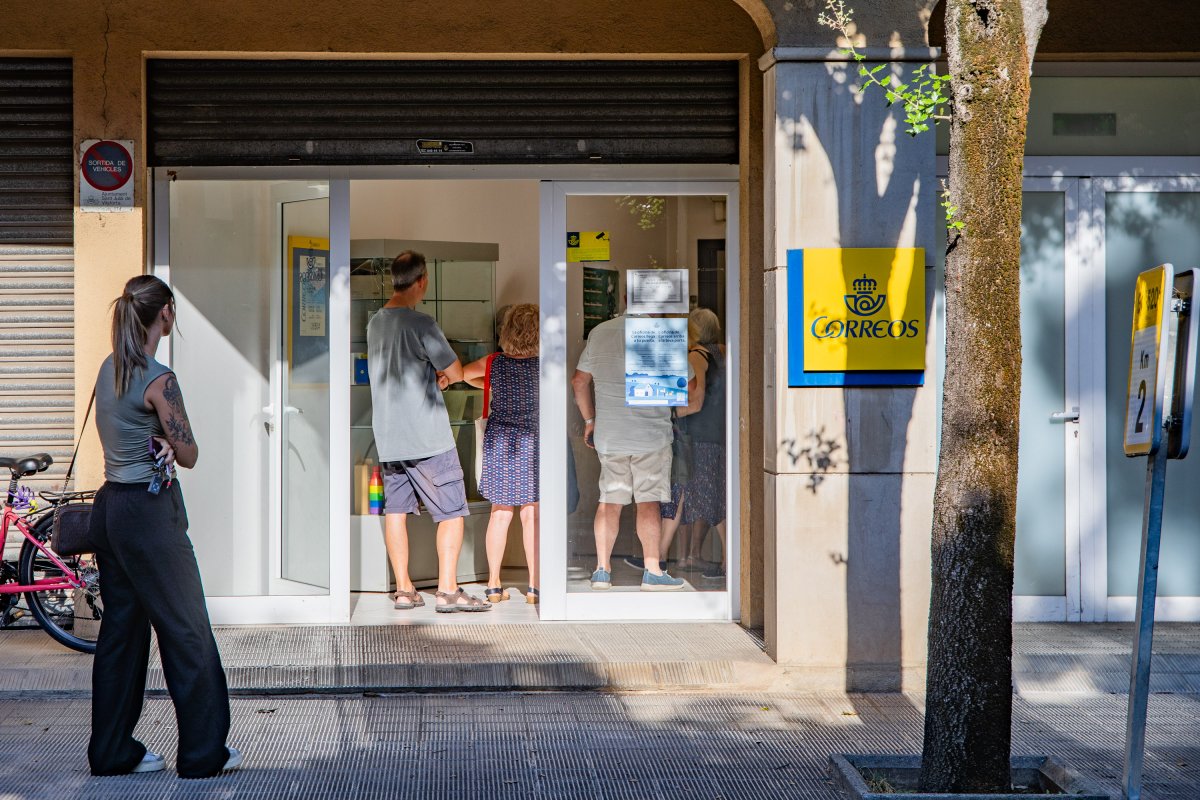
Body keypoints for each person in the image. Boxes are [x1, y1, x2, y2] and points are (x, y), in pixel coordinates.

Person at [88, 275, 240, 778]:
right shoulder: (159, 379)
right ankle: (202, 754)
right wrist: (174, 446)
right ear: (166, 314)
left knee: (121, 635)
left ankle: (110, 752)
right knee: (186, 631)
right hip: (149, 516)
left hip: (109, 510)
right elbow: (191, 454)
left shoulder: (109, 369)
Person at [367, 250, 490, 613]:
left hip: (389, 438)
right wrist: (444, 377)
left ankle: (405, 590)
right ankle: (449, 590)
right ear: (422, 281)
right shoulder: (422, 324)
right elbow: (454, 370)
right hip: (427, 437)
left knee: (397, 512)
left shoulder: (375, 323)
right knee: (451, 511)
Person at [571, 313, 685, 591]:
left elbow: (579, 381)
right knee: (648, 502)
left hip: (611, 435)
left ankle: (601, 570)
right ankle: (653, 570)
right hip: (652, 436)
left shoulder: (600, 330)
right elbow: (689, 385)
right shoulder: (662, 333)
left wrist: (589, 420)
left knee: (610, 500)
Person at [464, 303, 540, 605]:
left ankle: (494, 584)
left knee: (500, 513)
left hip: (501, 441)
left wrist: (488, 383)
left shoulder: (494, 363)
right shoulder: (543, 365)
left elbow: (463, 376)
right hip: (533, 441)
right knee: (531, 514)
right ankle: (534, 586)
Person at [659, 308, 727, 578]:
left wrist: (667, 413)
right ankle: (665, 556)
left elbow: (695, 400)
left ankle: (660, 558)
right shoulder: (723, 351)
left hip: (696, 436)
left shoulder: (697, 356)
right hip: (717, 434)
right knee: (711, 496)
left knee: (683, 494)